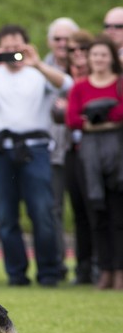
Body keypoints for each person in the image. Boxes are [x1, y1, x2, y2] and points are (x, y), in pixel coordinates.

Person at [0, 24, 72, 287]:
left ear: (26, 46)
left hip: (35, 148)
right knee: (7, 216)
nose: (12, 53)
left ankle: (49, 272)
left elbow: (67, 84)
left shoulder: (37, 72)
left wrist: (37, 64)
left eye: (17, 47)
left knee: (42, 210)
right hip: (0, 150)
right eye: (6, 47)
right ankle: (17, 274)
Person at [65, 35, 123, 290]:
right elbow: (72, 119)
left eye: (103, 54)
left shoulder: (120, 84)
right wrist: (104, 121)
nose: (99, 59)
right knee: (96, 213)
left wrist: (99, 121)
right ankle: (105, 270)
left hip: (117, 152)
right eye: (95, 55)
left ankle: (120, 269)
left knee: (118, 213)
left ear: (111, 57)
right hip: (88, 155)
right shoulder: (79, 87)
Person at [53, 30, 96, 284]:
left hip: (100, 149)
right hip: (70, 150)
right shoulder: (66, 82)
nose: (78, 55)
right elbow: (59, 115)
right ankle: (84, 268)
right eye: (72, 51)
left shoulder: (102, 79)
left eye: (83, 50)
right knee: (79, 211)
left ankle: (106, 266)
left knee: (99, 209)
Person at [45, 17, 79, 279]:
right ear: (49, 42)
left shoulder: (87, 66)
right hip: (53, 148)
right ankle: (57, 265)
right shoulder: (40, 67)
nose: (62, 44)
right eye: (57, 39)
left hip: (81, 146)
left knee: (87, 207)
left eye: (67, 39)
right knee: (53, 209)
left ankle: (89, 265)